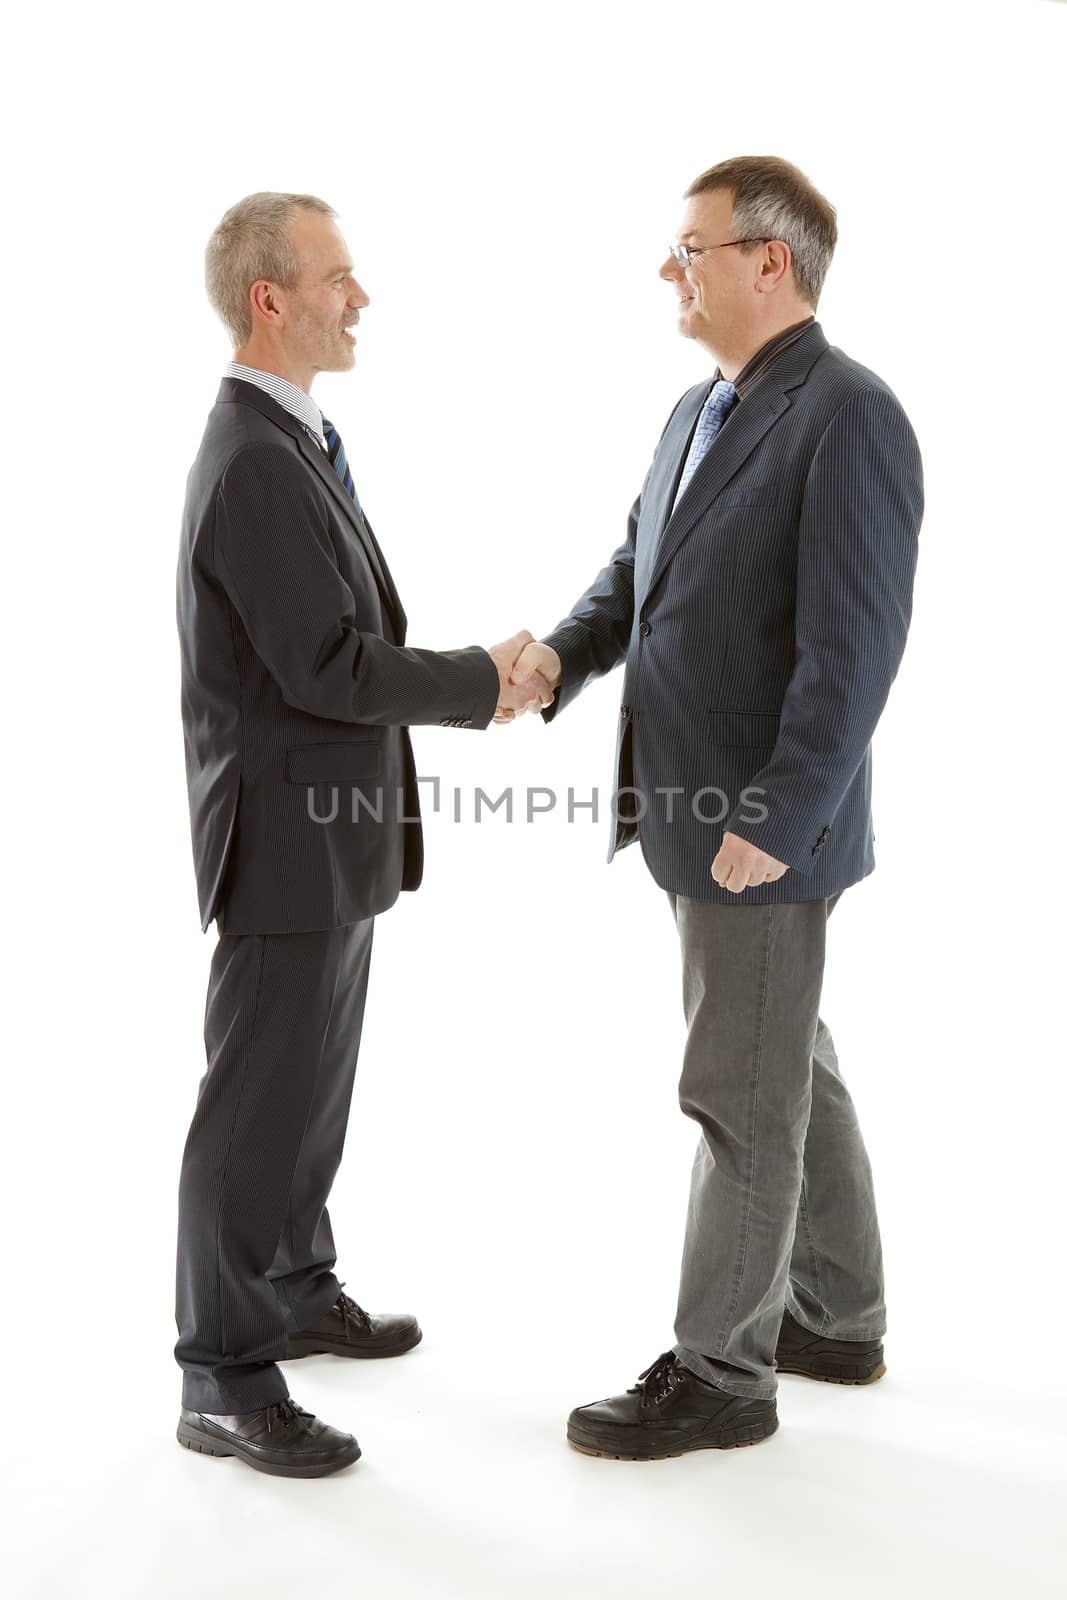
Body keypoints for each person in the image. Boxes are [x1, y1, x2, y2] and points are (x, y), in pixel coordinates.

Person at [504, 155, 924, 1460]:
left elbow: (853, 650)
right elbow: (643, 565)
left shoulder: (850, 416)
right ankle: (838, 1318)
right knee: (784, 1056)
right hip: (692, 809)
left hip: (757, 826)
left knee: (736, 1096)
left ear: (769, 262)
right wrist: (563, 658)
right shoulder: (697, 412)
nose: (669, 270)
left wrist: (780, 818)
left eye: (691, 247)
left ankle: (723, 1374)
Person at [174, 191, 551, 1479]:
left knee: (309, 1088)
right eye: (340, 276)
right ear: (269, 298)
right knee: (254, 1103)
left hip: (326, 835)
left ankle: (288, 1284)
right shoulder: (251, 460)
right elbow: (328, 666)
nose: (363, 296)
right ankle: (222, 1373)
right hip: (282, 840)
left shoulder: (293, 441)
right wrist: (480, 683)